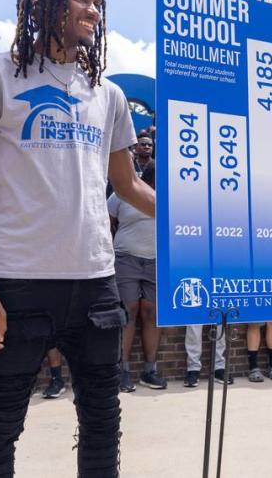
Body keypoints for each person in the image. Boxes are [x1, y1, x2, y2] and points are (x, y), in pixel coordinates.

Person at [0, 0, 154, 477]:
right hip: (16, 282)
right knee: (1, 423)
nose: (92, 10)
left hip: (96, 280)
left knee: (104, 420)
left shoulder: (109, 94)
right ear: (41, 2)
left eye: (97, 2)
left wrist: (197, 222)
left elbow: (127, 186)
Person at [110, 163, 165, 392]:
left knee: (151, 314)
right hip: (126, 259)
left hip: (156, 261)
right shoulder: (124, 190)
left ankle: (149, 370)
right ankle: (122, 371)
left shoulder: (170, 196)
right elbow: (107, 219)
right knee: (128, 312)